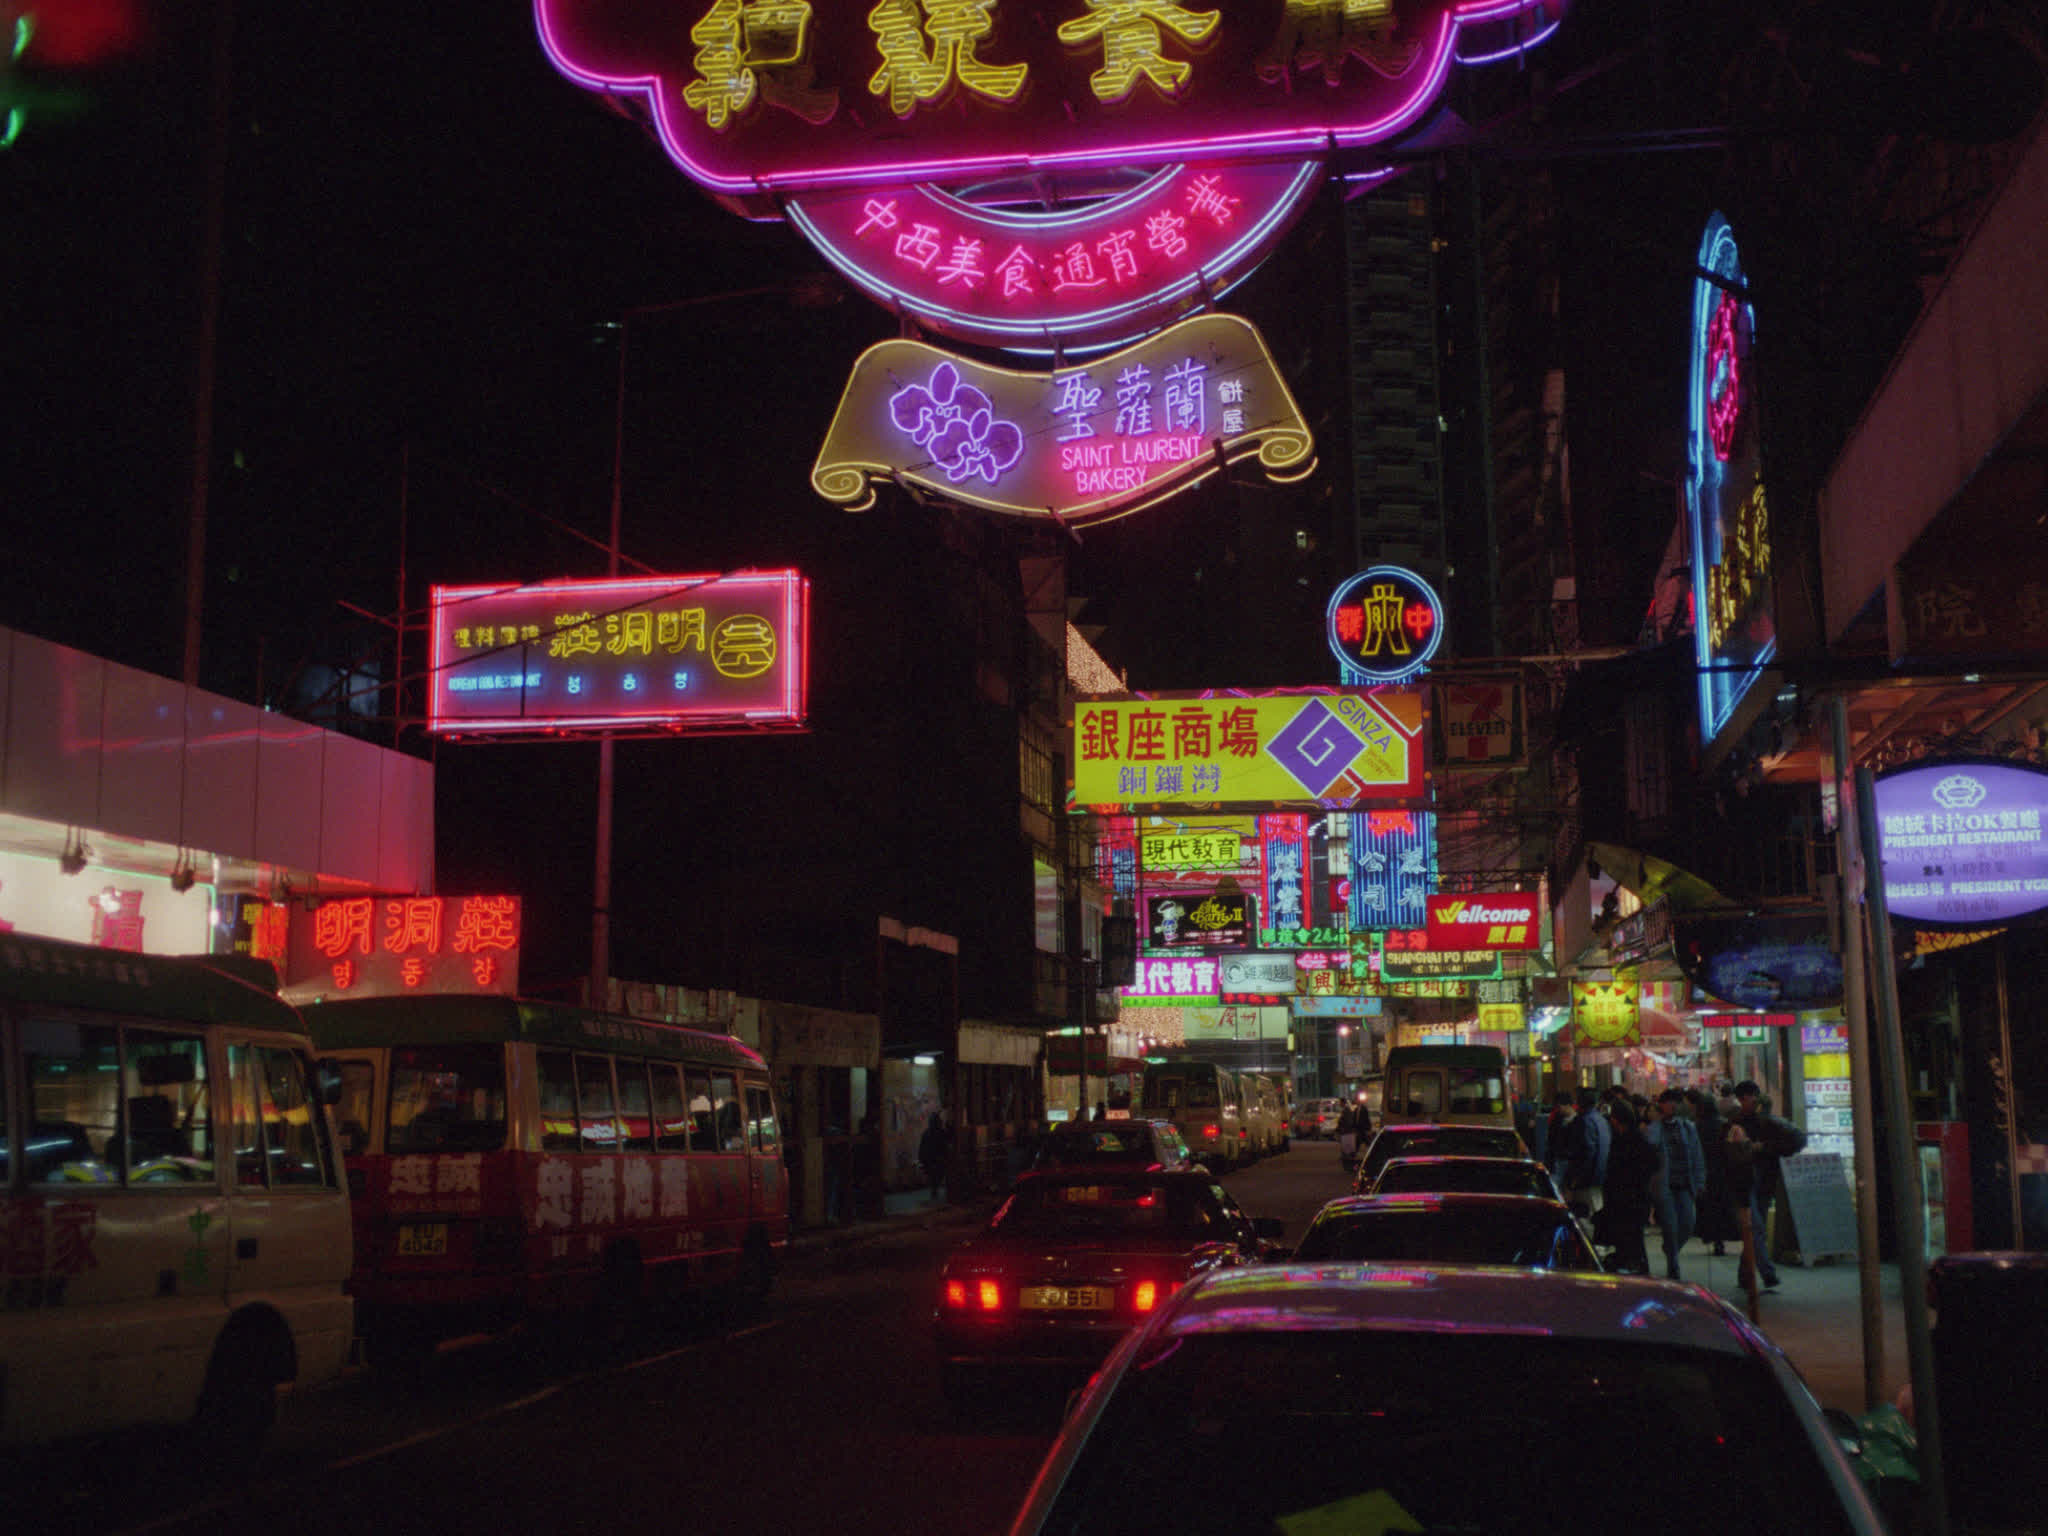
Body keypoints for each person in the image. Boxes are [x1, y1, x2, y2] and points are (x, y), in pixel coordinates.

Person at [1728, 1080, 1796, 1289]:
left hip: (1765, 1180)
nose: (1746, 1102)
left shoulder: (1771, 1122)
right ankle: (1767, 1273)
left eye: (1747, 1098)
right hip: (1745, 1182)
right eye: (1743, 1099)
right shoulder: (1737, 1122)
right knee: (1755, 1229)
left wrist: (1762, 1146)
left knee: (1754, 1231)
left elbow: (1791, 1142)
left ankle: (1744, 1274)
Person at [1647, 1089, 1706, 1280]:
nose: (1672, 1105)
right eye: (1668, 1102)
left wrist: (1699, 1181)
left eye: (1675, 1102)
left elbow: (1697, 1156)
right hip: (1665, 1186)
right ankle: (1673, 1265)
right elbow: (1650, 1148)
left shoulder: (1688, 1128)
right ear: (1661, 1105)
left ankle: (1671, 1249)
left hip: (1685, 1184)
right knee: (1671, 1226)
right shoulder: (1654, 1129)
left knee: (1688, 1223)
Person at [1597, 1100, 1658, 1274]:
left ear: (1616, 1120)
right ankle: (1639, 1270)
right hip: (1635, 1199)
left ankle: (1635, 1272)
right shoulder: (1638, 1139)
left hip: (1626, 1200)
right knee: (1634, 1242)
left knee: (1628, 1243)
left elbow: (1616, 1172)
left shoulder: (1625, 1141)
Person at [1688, 1087, 1739, 1256]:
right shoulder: (1724, 1124)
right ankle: (1721, 1239)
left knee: (1709, 1207)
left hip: (1706, 1170)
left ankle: (1713, 1237)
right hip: (1723, 1170)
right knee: (1723, 1206)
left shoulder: (1697, 1126)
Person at [1558, 1087, 1610, 1215]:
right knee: (1597, 1209)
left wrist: (1576, 1178)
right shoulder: (1601, 1120)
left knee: (1587, 1215)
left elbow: (1587, 1151)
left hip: (1587, 1177)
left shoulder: (1584, 1121)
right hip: (1601, 1173)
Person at [918, 1112, 951, 1204]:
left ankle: (934, 1192)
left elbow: (922, 1148)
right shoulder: (941, 1132)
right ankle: (935, 1193)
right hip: (938, 1159)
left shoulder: (926, 1133)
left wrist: (922, 1160)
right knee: (937, 1177)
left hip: (930, 1160)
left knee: (933, 1178)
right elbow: (946, 1143)